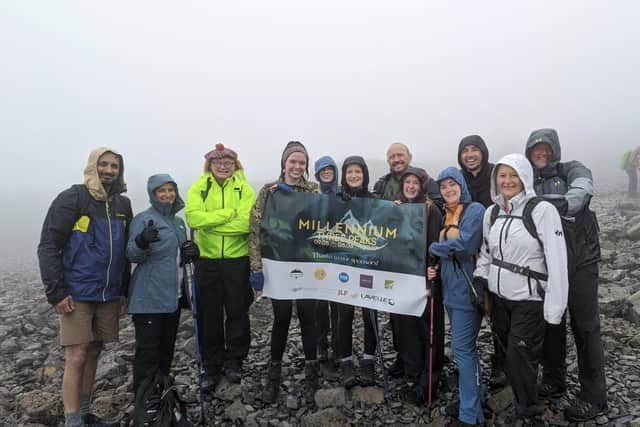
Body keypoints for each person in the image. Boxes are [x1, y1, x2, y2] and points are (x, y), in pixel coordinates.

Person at [38, 147, 132, 427]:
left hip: (108, 293)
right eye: (103, 165)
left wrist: (124, 290)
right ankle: (72, 420)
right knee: (77, 353)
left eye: (114, 166)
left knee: (95, 351)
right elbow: (48, 246)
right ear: (93, 166)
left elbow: (125, 252)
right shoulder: (72, 198)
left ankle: (87, 411)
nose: (109, 171)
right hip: (76, 291)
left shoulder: (122, 205)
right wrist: (56, 291)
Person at [474, 154, 568, 426]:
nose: (507, 181)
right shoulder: (492, 213)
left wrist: (554, 311)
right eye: (502, 176)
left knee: (519, 354)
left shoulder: (541, 211)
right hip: (500, 299)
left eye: (513, 175)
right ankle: (523, 396)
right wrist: (481, 279)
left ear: (525, 177)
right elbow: (486, 252)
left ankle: (528, 412)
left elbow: (557, 261)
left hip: (530, 299)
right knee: (510, 354)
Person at [525, 128, 607, 422]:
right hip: (547, 262)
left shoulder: (574, 169)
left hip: (581, 259)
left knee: (585, 326)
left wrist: (545, 206)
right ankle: (554, 379)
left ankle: (594, 395)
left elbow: (580, 194)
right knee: (552, 320)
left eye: (546, 148)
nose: (541, 153)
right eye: (535, 149)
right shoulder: (527, 180)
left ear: (555, 150)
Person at [249, 140, 320, 404]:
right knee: (280, 318)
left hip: (308, 264)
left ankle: (312, 373)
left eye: (302, 162)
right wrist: (256, 268)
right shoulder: (269, 192)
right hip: (277, 264)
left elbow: (327, 216)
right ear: (284, 163)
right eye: (293, 161)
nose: (297, 167)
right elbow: (255, 229)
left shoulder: (313, 190)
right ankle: (273, 375)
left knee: (307, 317)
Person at [184, 144, 256, 391]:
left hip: (238, 259)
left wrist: (211, 223)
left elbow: (247, 225)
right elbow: (193, 219)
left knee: (238, 310)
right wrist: (229, 214)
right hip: (208, 260)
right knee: (209, 313)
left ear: (235, 165)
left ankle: (235, 359)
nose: (223, 166)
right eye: (218, 163)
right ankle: (211, 365)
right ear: (210, 165)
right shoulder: (199, 187)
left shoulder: (245, 189)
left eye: (228, 162)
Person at [127, 174, 200, 394]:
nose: (167, 195)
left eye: (171, 190)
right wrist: (141, 241)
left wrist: (191, 253)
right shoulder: (142, 219)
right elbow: (131, 254)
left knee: (166, 349)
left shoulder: (178, 222)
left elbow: (178, 257)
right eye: (162, 191)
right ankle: (144, 400)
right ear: (153, 194)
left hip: (173, 298)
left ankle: (161, 393)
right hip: (148, 298)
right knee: (148, 353)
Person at [372, 142, 440, 377]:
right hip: (396, 268)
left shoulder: (429, 194)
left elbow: (436, 227)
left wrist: (433, 269)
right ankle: (404, 359)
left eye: (400, 154)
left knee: (421, 320)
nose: (396, 159)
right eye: (392, 156)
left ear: (410, 156)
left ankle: (425, 367)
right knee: (398, 317)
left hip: (421, 270)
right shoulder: (383, 185)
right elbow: (374, 215)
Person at [428, 167, 485, 427]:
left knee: (463, 350)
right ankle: (470, 403)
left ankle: (470, 416)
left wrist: (434, 247)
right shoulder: (448, 214)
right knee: (464, 349)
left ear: (461, 185)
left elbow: (467, 245)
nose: (448, 189)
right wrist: (436, 265)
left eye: (452, 184)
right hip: (451, 292)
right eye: (443, 186)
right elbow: (453, 248)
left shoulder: (474, 210)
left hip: (467, 292)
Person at [457, 134, 506, 389]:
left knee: (498, 310)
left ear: (483, 152)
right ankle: (467, 360)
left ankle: (502, 363)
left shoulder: (497, 175)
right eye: (465, 150)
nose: (470, 155)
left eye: (474, 149)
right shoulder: (457, 179)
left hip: (497, 253)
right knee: (471, 308)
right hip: (467, 256)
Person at [393, 167, 444, 404]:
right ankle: (411, 371)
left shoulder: (430, 210)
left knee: (427, 327)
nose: (411, 186)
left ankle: (431, 374)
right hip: (402, 276)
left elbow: (435, 244)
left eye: (415, 183)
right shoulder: (397, 208)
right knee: (406, 325)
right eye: (407, 182)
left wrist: (433, 275)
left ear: (422, 186)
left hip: (424, 277)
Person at [333, 155, 379, 388]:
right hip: (344, 268)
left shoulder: (375, 200)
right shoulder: (336, 200)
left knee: (370, 315)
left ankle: (369, 361)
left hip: (369, 266)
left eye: (357, 172)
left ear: (364, 175)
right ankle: (346, 362)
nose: (353, 176)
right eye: (349, 172)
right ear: (344, 175)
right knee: (344, 316)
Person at [313, 156, 340, 373]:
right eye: (323, 170)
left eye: (330, 169)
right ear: (317, 174)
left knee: (338, 302)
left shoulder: (343, 194)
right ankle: (321, 343)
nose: (327, 173)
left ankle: (339, 345)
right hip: (317, 255)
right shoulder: (313, 196)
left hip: (340, 255)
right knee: (319, 304)